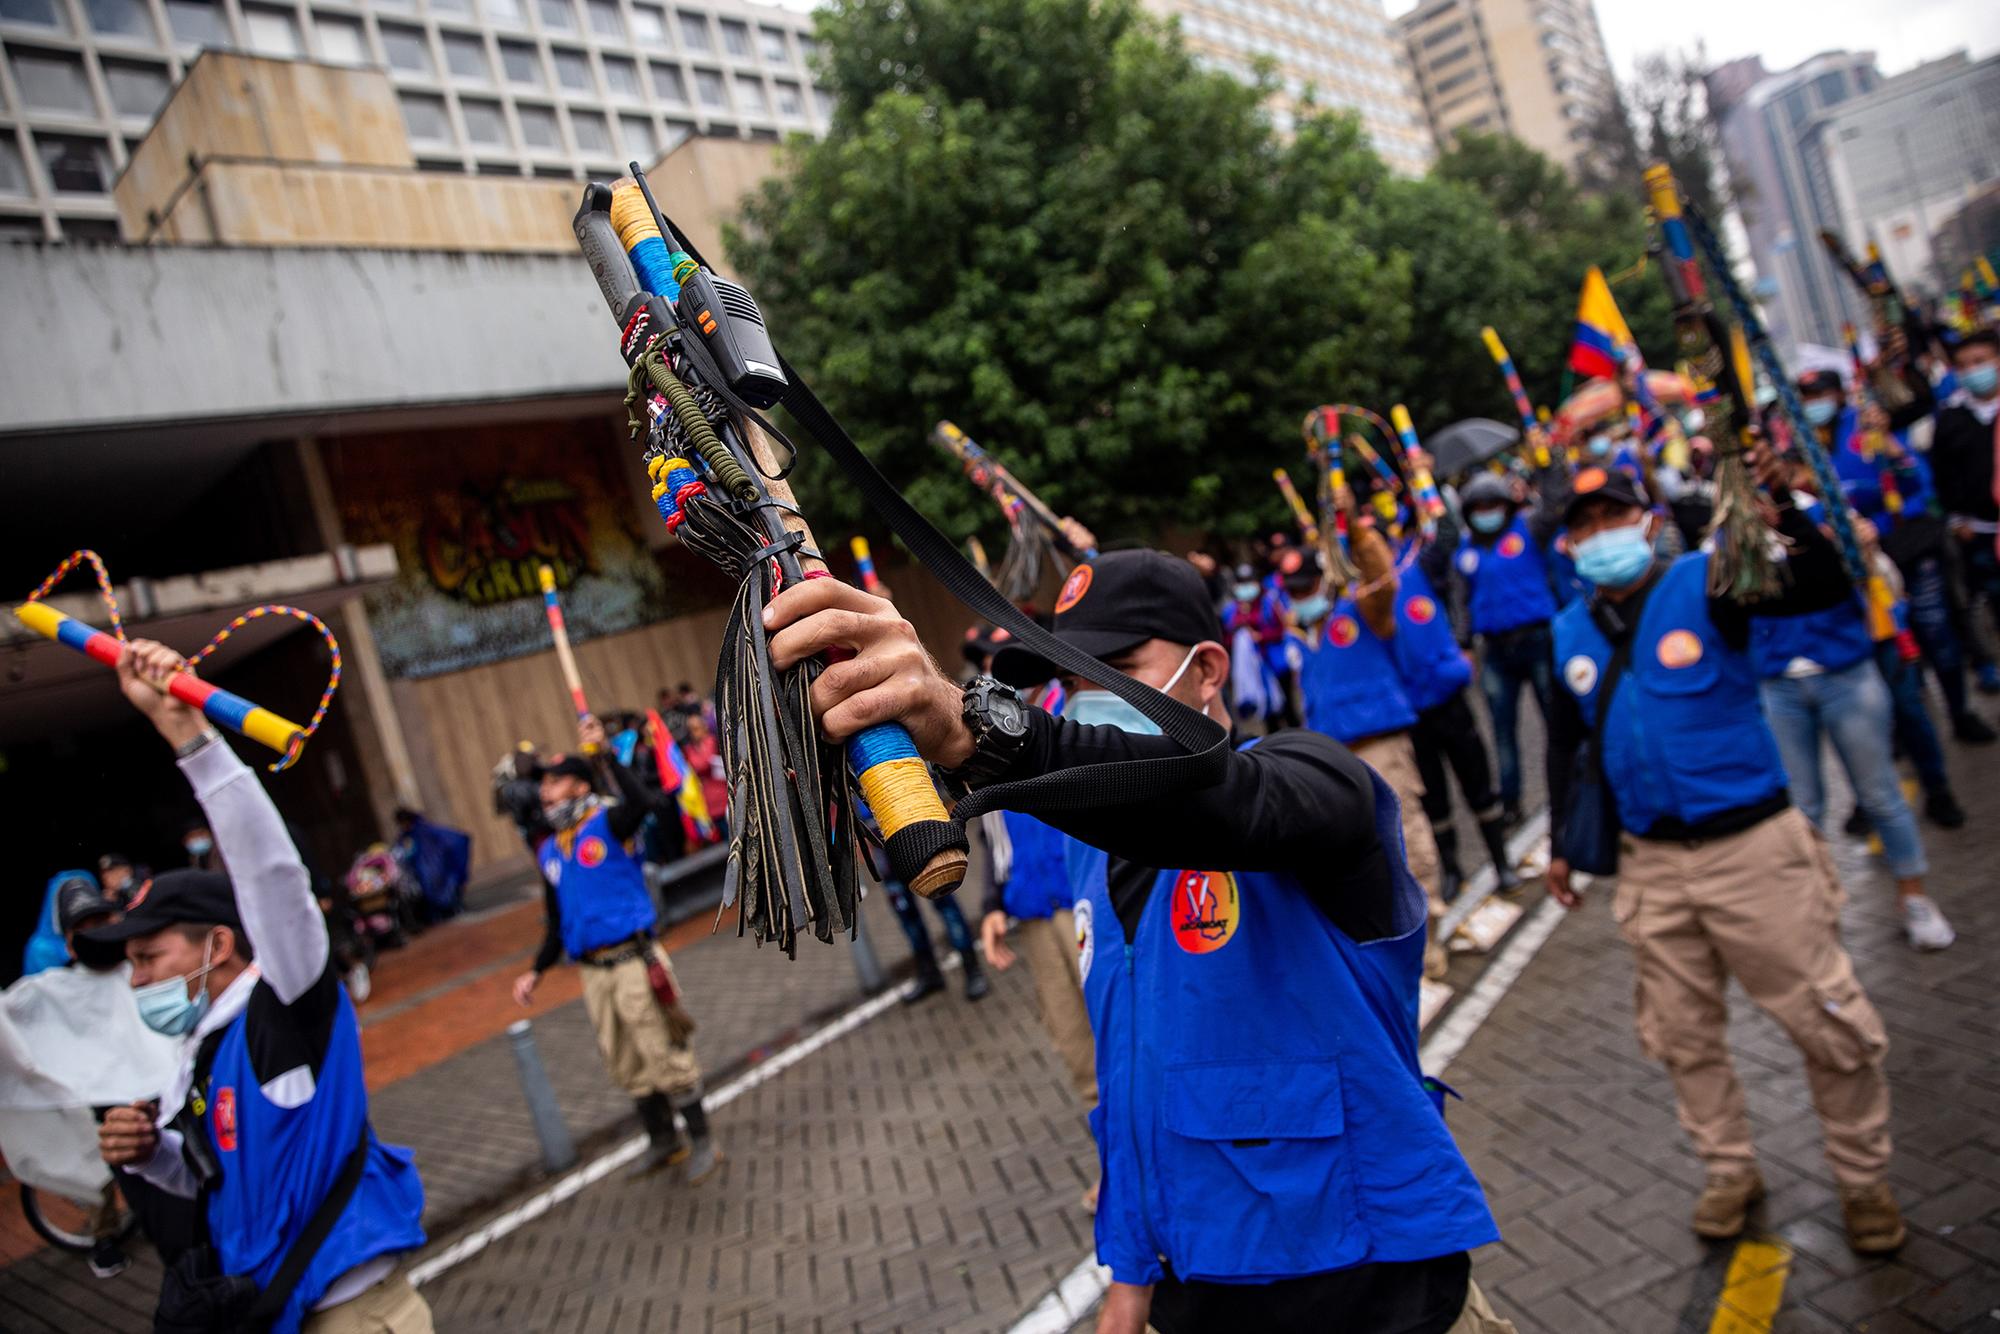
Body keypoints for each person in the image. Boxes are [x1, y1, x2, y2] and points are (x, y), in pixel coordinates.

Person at [772, 550, 1510, 1334]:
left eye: (1119, 668)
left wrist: (976, 728)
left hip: (1379, 1300)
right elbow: (1134, 1085)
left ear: (1210, 669)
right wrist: (1127, 1277)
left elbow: (1225, 804)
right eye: (1074, 678)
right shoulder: (1089, 849)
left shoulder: (1319, 781)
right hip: (1194, 1298)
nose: (1092, 699)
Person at [1544, 465, 1906, 1254]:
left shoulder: (1709, 585)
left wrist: (1778, 503)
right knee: (1681, 1037)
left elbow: (1815, 582)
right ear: (1568, 541)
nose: (1601, 533)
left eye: (1615, 515)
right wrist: (1562, 847)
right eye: (1584, 523)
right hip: (1651, 866)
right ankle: (1730, 1168)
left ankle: (1862, 1178)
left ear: (1647, 522)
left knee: (1824, 1020)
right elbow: (1567, 739)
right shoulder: (1567, 629)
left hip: (1755, 852)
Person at [88, 639, 430, 1333]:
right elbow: (223, 1180)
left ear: (217, 944)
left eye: (150, 955)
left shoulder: (287, 1010)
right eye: (129, 961)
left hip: (352, 1317)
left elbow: (273, 878)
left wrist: (187, 733)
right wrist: (151, 1154)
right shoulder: (198, 1053)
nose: (137, 977)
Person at [1750, 465, 1954, 950]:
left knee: (1880, 791)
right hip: (1779, 684)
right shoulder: (1731, 539)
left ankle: (1914, 896)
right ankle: (1815, 912)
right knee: (1802, 809)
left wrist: (1845, 538)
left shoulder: (1828, 517)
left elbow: (1852, 580)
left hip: (1844, 672)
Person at [511, 718, 718, 1182]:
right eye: (543, 783)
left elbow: (644, 801)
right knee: (625, 1061)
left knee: (663, 1053)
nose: (546, 791)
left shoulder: (609, 821)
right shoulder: (550, 850)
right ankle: (665, 1142)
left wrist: (605, 755)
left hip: (634, 962)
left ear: (581, 785)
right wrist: (536, 971)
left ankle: (703, 1139)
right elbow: (556, 919)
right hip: (593, 972)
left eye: (556, 780)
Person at [1800, 367, 1996, 746]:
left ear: (1838, 395)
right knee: (1891, 653)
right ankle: (1912, 731)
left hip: (1907, 544)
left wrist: (1888, 442)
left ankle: (1959, 711)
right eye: (1807, 398)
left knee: (1937, 633)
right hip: (1861, 562)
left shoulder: (1867, 426)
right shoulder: (1802, 442)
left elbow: (1912, 478)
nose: (1814, 405)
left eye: (1820, 395)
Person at [1288, 521, 1450, 979]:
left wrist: (1358, 535)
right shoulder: (1302, 634)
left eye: (1310, 586)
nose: (1303, 596)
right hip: (1336, 758)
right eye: (1295, 590)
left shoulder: (1361, 610)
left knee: (1409, 844)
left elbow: (1383, 581)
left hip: (1381, 746)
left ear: (1326, 579)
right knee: (1360, 854)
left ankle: (1429, 940)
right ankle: (1387, 946)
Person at [1431, 467, 1565, 826]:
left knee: (1557, 723)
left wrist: (1548, 460)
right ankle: (1512, 801)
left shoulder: (1528, 529)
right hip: (1495, 649)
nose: (1487, 511)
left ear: (1506, 504)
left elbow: (1556, 503)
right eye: (1480, 505)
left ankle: (1570, 787)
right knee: (1502, 731)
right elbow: (1459, 602)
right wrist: (1464, 645)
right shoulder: (1464, 552)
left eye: (1494, 503)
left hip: (1538, 638)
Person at [1928, 330, 2000, 686]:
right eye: (1964, 365)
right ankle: (1987, 661)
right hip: (1979, 531)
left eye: (1981, 362)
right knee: (1985, 597)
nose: (1974, 371)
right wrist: (1958, 519)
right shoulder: (1952, 417)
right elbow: (1943, 474)